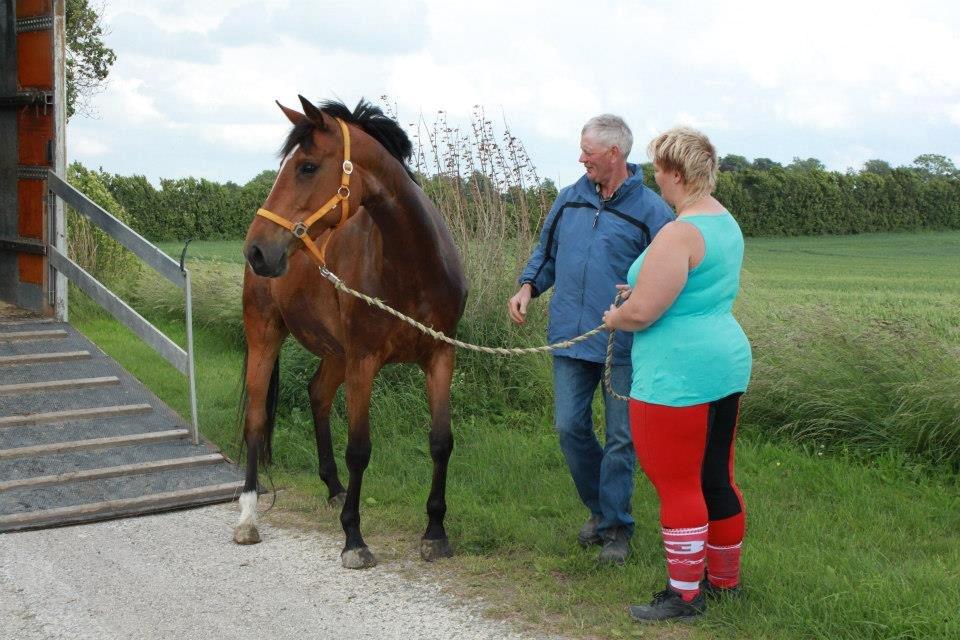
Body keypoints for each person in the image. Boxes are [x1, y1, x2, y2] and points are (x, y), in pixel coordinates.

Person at [508, 115, 674, 564]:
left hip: (623, 343)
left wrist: (638, 299)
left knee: (622, 437)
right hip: (569, 336)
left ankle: (617, 528)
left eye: (589, 152)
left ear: (615, 155)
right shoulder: (569, 199)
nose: (581, 159)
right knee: (569, 428)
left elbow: (670, 275)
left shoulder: (653, 212)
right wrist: (527, 287)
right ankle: (602, 511)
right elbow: (546, 253)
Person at [603, 126, 752, 621]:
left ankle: (684, 595)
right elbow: (691, 287)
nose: (657, 182)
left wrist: (616, 317)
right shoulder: (724, 223)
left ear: (677, 174)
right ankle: (725, 582)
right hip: (724, 364)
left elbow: (644, 313)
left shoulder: (678, 232)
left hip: (677, 373)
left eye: (660, 172)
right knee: (717, 477)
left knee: (678, 484)